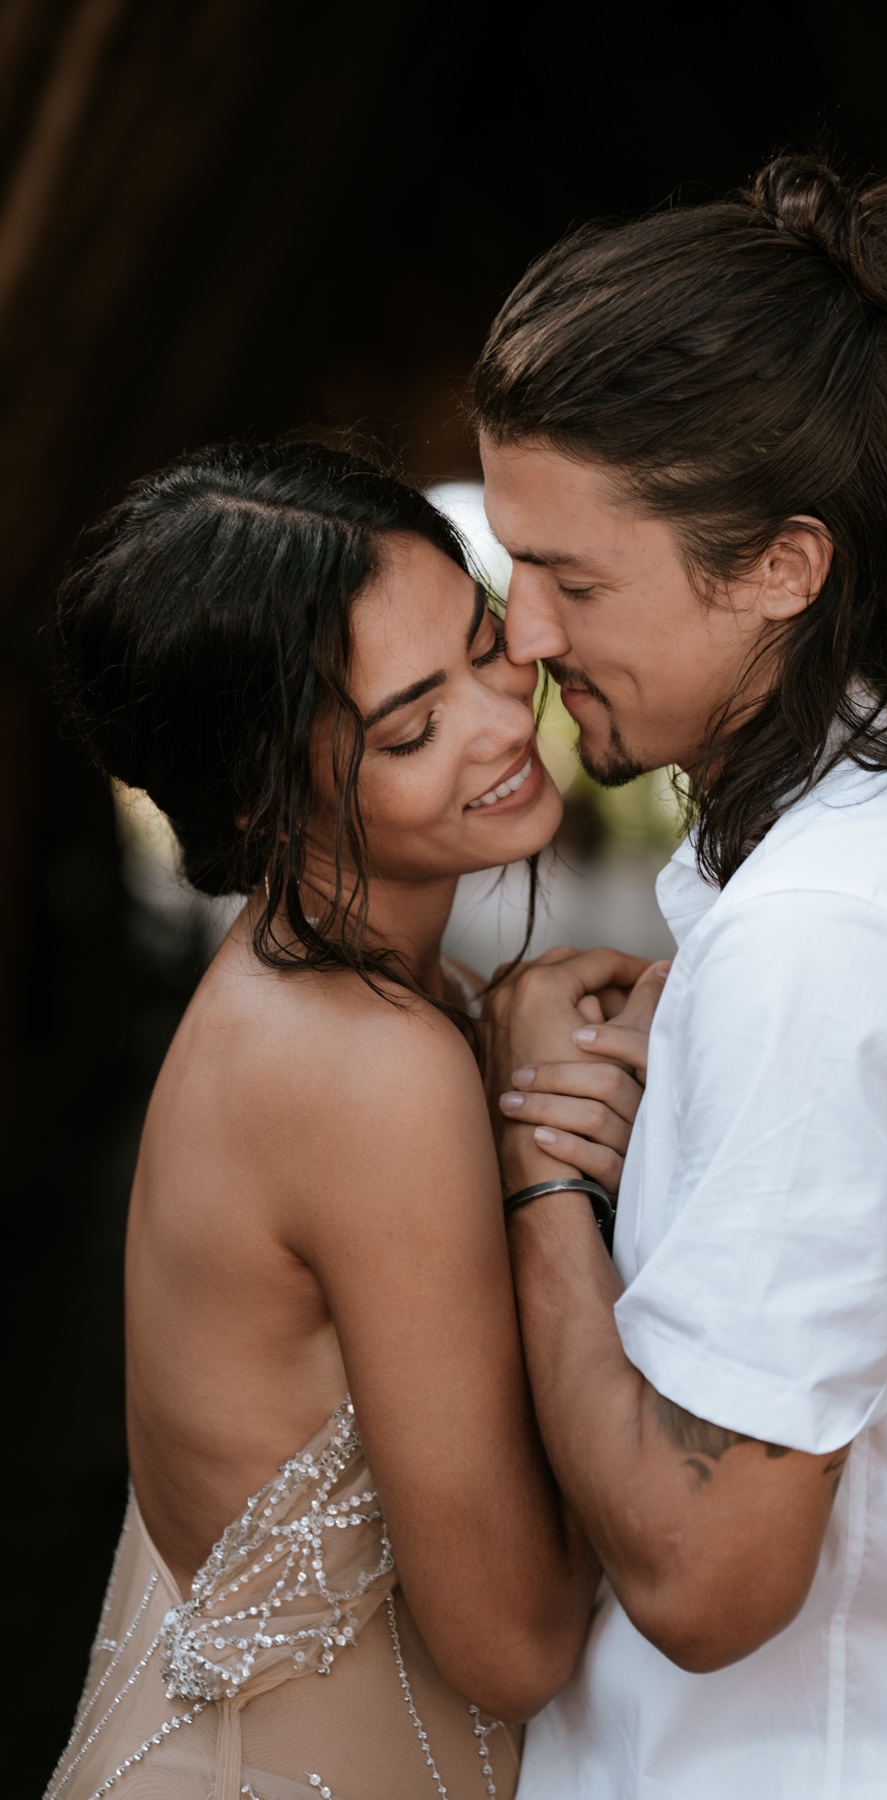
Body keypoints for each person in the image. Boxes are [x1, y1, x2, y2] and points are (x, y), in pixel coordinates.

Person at [473, 155, 887, 1798]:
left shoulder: (830, 938)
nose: (526, 637)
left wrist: (541, 1175)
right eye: (513, 563)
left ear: (782, 566)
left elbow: (709, 1578)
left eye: (575, 578)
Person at [46, 440, 646, 1800]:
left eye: (492, 647)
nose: (505, 721)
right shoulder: (368, 1069)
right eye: (411, 728)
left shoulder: (307, 994)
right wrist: (545, 1176)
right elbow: (517, 1642)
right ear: (262, 793)